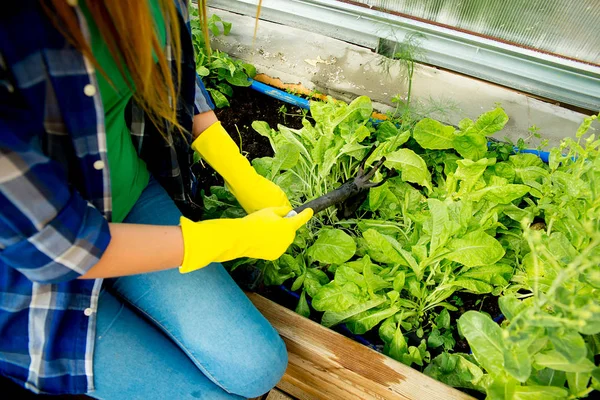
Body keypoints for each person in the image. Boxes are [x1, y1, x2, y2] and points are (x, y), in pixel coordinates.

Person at [0, 1, 312, 399]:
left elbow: (172, 66)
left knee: (258, 367)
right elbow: (59, 247)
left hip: (130, 201)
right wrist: (228, 239)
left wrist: (237, 169)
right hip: (30, 275)